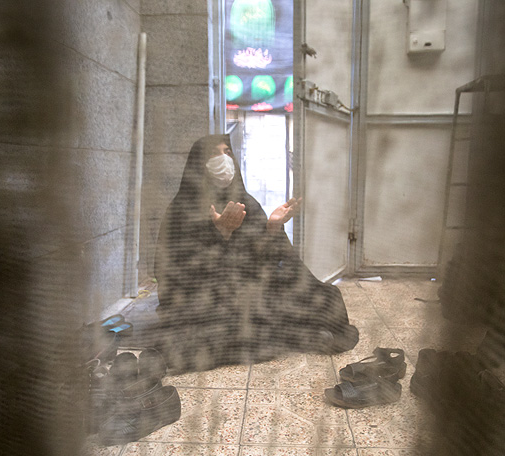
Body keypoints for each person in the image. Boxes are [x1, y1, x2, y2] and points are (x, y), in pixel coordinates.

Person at [154, 134, 359, 373]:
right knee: (217, 326)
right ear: (199, 163)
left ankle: (285, 331)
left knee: (325, 296)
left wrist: (272, 228)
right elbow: (174, 271)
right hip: (205, 297)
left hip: (248, 288)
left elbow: (264, 262)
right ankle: (291, 333)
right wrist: (220, 234)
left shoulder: (246, 203)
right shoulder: (182, 208)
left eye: (227, 152)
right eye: (214, 153)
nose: (223, 160)